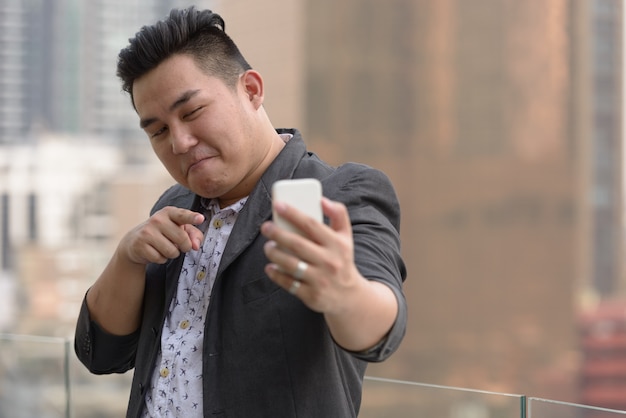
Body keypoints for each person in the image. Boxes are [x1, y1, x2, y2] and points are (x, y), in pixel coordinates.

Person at [74, 6, 407, 418]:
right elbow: (102, 354)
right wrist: (127, 256)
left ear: (250, 90)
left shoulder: (342, 192)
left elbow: (382, 330)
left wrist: (343, 291)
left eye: (192, 111)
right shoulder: (174, 207)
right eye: (158, 130)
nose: (178, 141)